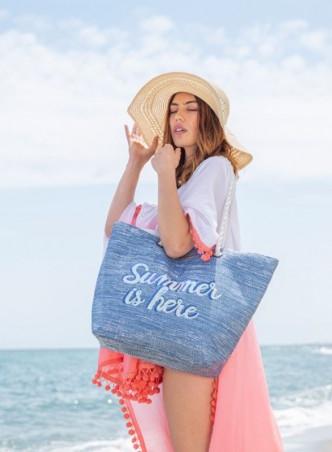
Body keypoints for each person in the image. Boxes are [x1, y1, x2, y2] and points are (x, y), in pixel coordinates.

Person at [91, 72, 284, 452]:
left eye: (190, 109)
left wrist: (163, 174)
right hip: (183, 320)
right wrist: (136, 162)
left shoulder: (216, 168)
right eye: (173, 109)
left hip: (193, 324)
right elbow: (117, 230)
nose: (178, 116)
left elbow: (178, 244)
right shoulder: (182, 186)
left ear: (207, 119)